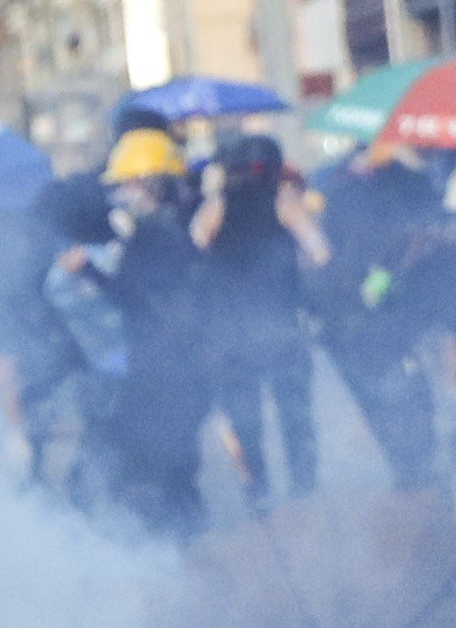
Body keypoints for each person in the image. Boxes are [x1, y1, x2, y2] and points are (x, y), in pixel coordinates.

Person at [85, 127, 214, 535]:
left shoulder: (153, 235)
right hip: (178, 365)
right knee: (173, 467)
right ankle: (190, 544)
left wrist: (88, 270)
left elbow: (132, 297)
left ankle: (170, 552)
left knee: (142, 463)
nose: (123, 195)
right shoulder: (170, 229)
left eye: (128, 185)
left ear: (149, 184)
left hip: (161, 368)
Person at [310, 142, 451, 487]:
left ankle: (411, 465)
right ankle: (412, 465)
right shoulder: (352, 189)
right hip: (359, 310)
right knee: (393, 389)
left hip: (361, 309)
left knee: (393, 389)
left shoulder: (344, 186)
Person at [196, 131, 319, 508]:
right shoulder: (283, 199)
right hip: (281, 322)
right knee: (294, 409)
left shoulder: (218, 204)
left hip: (232, 328)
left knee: (244, 414)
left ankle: (258, 490)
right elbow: (320, 252)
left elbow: (196, 245)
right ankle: (304, 487)